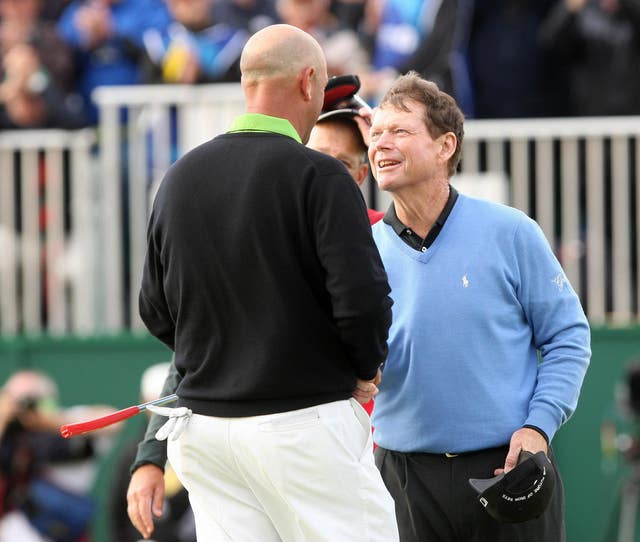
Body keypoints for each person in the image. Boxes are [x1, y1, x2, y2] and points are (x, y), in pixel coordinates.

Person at [127, 23, 398, 542]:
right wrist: (363, 366)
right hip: (301, 424)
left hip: (204, 434)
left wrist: (223, 354)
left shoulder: (178, 177)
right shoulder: (323, 176)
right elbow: (361, 304)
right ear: (308, 82)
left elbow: (156, 310)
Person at [367, 71, 591, 541]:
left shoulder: (511, 231)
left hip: (509, 468)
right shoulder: (361, 251)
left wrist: (538, 427)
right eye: (377, 132)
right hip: (402, 480)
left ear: (446, 146)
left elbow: (568, 336)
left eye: (400, 131)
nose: (381, 143)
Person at [109, 362, 195, 542]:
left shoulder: (200, 450)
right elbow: (118, 512)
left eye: (172, 402)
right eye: (156, 401)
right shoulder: (133, 454)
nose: (166, 412)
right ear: (144, 401)